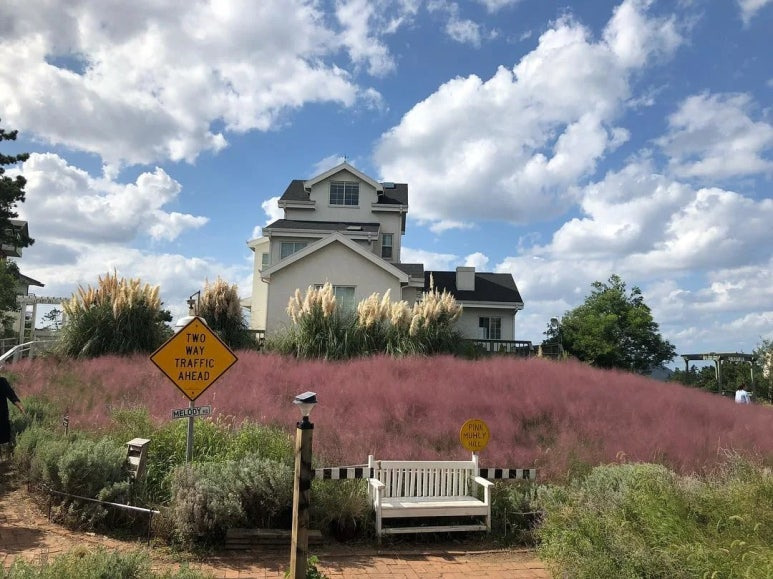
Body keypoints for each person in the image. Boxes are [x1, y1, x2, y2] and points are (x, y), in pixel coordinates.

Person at [1, 375, 26, 457]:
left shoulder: (2, 382)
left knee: (4, 436)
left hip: (2, 416)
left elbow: (11, 395)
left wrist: (19, 406)